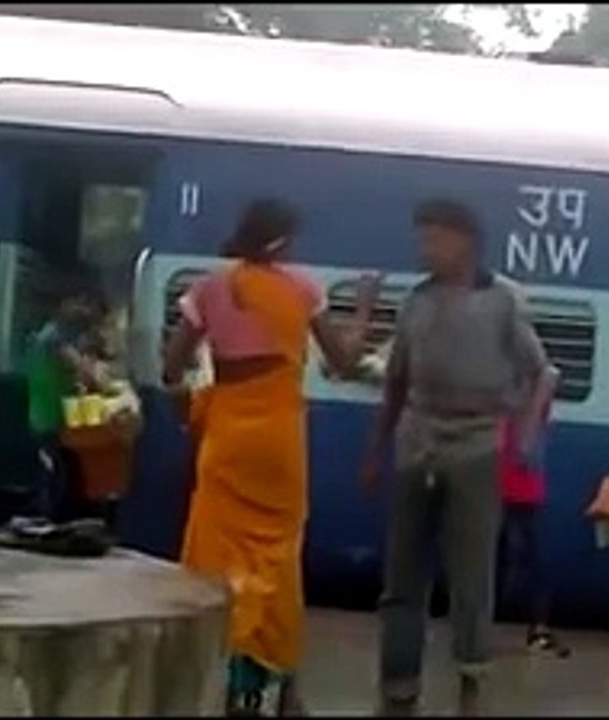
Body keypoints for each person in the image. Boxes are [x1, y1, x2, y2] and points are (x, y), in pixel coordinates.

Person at [162, 198, 378, 716]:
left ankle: (221, 680)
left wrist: (191, 408)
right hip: (280, 443)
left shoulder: (209, 289)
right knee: (278, 561)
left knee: (218, 560)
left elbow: (172, 368)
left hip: (228, 441)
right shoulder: (302, 290)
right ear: (283, 241)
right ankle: (281, 689)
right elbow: (344, 363)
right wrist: (366, 307)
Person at [360, 199, 557, 715]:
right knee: (402, 574)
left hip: (476, 443)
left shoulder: (502, 300)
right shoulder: (415, 301)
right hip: (416, 436)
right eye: (422, 238)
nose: (426, 250)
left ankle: (472, 677)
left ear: (465, 241)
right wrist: (376, 452)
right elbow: (397, 382)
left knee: (471, 573)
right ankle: (398, 683)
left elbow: (541, 371)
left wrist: (525, 435)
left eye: (435, 239)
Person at [495, 365, 570, 657]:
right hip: (523, 485)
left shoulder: (501, 390)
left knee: (494, 557)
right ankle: (537, 628)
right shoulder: (536, 392)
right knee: (530, 557)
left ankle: (474, 627)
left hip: (502, 482)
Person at [22, 274, 104, 524]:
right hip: (49, 414)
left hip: (55, 412)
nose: (84, 308)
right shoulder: (54, 337)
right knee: (54, 469)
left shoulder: (53, 335)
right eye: (80, 301)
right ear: (63, 304)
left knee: (62, 467)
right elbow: (83, 370)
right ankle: (49, 517)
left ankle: (56, 515)